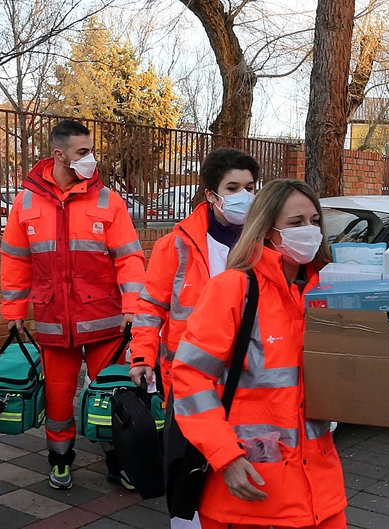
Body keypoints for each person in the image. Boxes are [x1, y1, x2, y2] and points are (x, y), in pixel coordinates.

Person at [169, 179, 389, 529]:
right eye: (296, 223)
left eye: (315, 221)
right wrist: (225, 456)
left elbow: (340, 375)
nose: (310, 231)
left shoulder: (329, 293)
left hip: (318, 488)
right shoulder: (234, 288)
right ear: (267, 230)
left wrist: (388, 396)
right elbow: (191, 377)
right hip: (249, 487)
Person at [0, 120, 146, 490]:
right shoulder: (26, 202)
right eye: (83, 152)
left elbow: (129, 259)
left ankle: (119, 460)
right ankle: (60, 459)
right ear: (58, 155)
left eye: (91, 151)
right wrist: (14, 312)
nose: (91, 159)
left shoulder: (108, 200)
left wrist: (133, 306)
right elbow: (16, 260)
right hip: (53, 324)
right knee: (59, 399)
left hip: (106, 322)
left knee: (113, 395)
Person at [128, 148, 259, 529]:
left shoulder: (263, 244)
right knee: (187, 474)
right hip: (186, 382)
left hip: (247, 381)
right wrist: (142, 358)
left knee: (238, 467)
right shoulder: (176, 245)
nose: (244, 196)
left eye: (250, 187)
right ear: (211, 195)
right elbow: (151, 307)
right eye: (233, 187)